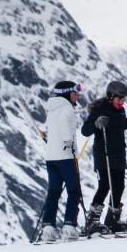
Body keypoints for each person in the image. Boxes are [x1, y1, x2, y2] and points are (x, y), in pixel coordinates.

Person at [81, 80, 127, 235]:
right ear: (111, 96)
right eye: (119, 98)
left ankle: (112, 220)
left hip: (118, 154)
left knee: (119, 186)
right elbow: (85, 131)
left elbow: (120, 124)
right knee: (104, 185)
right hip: (103, 155)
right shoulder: (99, 109)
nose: (122, 102)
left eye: (123, 99)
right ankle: (92, 221)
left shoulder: (120, 110)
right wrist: (97, 123)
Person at [36, 80, 85, 241]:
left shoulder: (52, 109)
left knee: (54, 192)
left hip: (51, 157)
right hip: (66, 157)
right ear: (67, 93)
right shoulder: (67, 108)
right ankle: (69, 227)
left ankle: (48, 229)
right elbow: (65, 127)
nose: (77, 95)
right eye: (75, 92)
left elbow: (53, 129)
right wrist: (68, 143)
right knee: (73, 191)